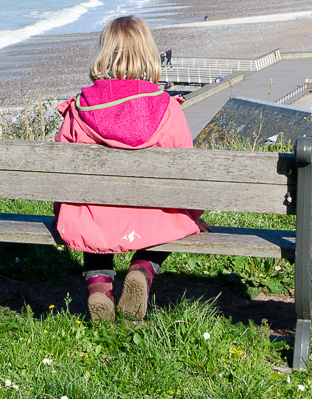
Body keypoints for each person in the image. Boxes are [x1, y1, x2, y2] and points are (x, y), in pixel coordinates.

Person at [54, 16, 209, 322]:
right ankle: (143, 269)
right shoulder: (167, 108)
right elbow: (188, 176)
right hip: (152, 217)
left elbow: (62, 176)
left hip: (96, 215)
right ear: (148, 54)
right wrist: (194, 215)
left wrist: (61, 210)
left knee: (93, 212)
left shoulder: (80, 108)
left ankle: (99, 284)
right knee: (172, 219)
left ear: (104, 53)